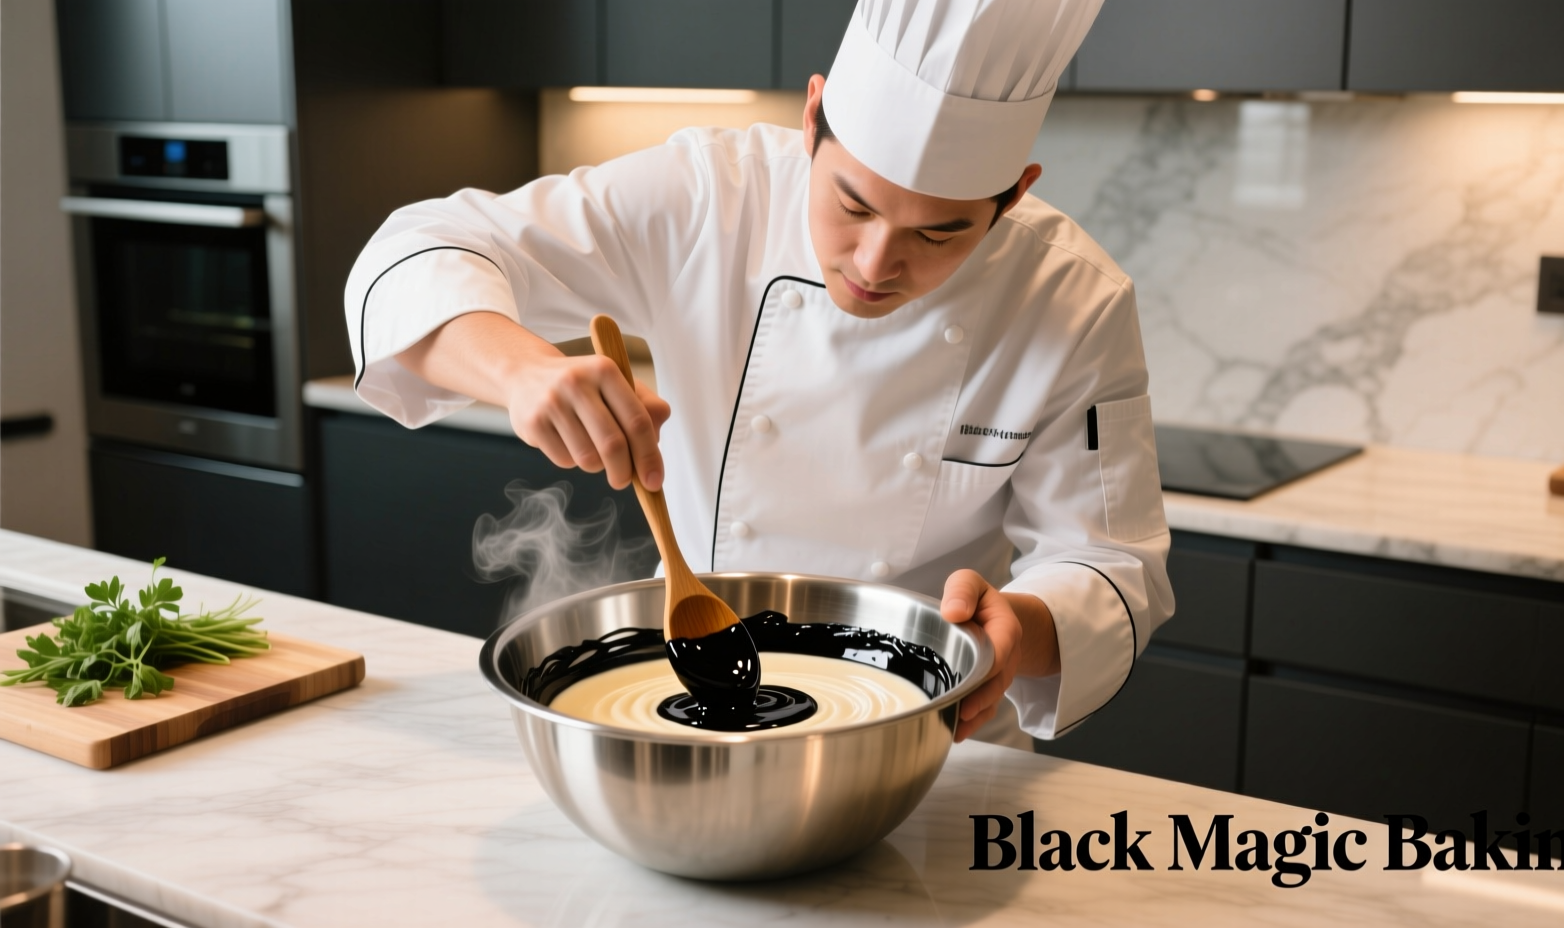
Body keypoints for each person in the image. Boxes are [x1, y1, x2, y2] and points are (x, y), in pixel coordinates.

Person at [344, 0, 1173, 747]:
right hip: (688, 716)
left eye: (940, 235)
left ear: (1016, 195)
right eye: (853, 205)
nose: (877, 263)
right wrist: (520, 369)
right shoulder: (709, 195)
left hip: (933, 744)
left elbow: (1111, 562)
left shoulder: (1073, 299)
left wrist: (1021, 627)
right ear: (812, 118)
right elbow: (416, 248)